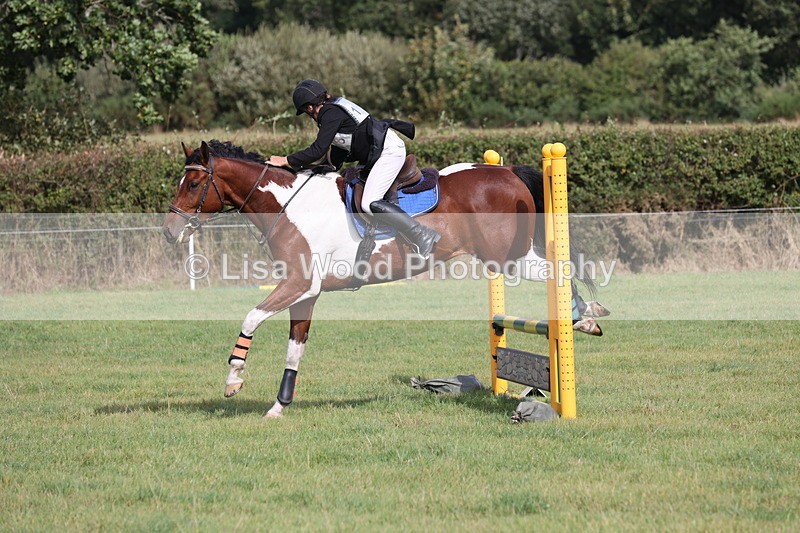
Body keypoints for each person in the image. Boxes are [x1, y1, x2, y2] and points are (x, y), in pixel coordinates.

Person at [267, 79, 440, 258]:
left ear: (309, 108)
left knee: (369, 203)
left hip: (388, 153)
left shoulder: (329, 113)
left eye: (305, 112)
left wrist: (285, 160)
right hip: (380, 153)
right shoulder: (334, 108)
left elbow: (317, 149)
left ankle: (423, 235)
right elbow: (337, 152)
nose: (308, 116)